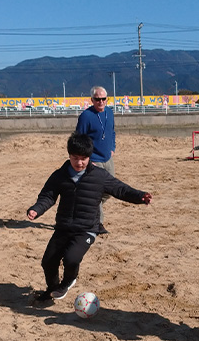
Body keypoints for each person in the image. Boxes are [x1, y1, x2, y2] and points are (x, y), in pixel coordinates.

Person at [27, 132, 152, 303]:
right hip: (63, 227)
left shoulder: (99, 176)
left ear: (89, 157)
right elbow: (48, 196)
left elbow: (121, 189)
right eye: (75, 158)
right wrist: (36, 209)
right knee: (48, 261)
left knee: (71, 259)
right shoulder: (60, 175)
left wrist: (140, 196)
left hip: (86, 229)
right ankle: (52, 290)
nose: (79, 162)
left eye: (84, 158)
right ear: (69, 155)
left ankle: (68, 281)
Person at [76, 86, 116, 234]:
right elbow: (79, 138)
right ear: (92, 100)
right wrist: (86, 158)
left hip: (107, 157)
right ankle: (98, 224)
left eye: (103, 99)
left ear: (107, 99)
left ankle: (89, 206)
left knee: (110, 190)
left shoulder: (110, 113)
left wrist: (112, 147)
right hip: (93, 160)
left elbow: (112, 132)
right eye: (97, 99)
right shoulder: (86, 116)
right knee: (96, 190)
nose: (100, 102)